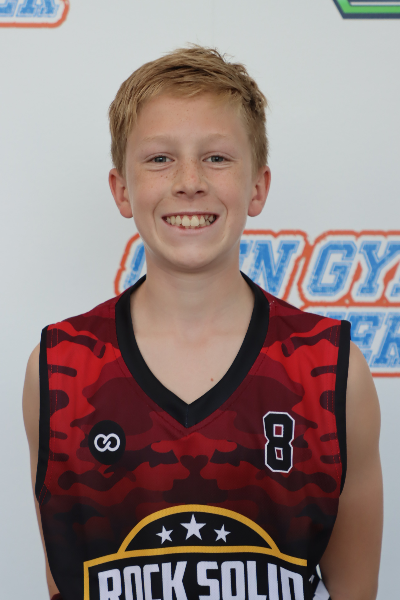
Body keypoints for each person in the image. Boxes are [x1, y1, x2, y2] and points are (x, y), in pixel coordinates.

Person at [23, 46, 383, 600]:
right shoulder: (59, 367)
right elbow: (68, 578)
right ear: (122, 190)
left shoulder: (332, 370)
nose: (189, 181)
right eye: (159, 158)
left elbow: (355, 588)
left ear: (257, 187)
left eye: (216, 157)